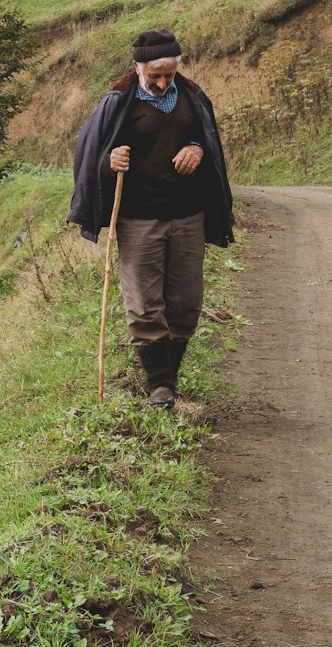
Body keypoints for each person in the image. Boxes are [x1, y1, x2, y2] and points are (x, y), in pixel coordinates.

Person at [68, 28, 233, 406]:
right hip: (139, 218)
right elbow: (88, 152)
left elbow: (208, 141)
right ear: (137, 67)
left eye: (168, 75)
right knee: (144, 303)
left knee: (186, 302)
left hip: (189, 215)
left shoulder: (192, 97)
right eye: (154, 75)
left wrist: (197, 149)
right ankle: (159, 383)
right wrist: (109, 163)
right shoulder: (117, 103)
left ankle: (168, 378)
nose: (161, 82)